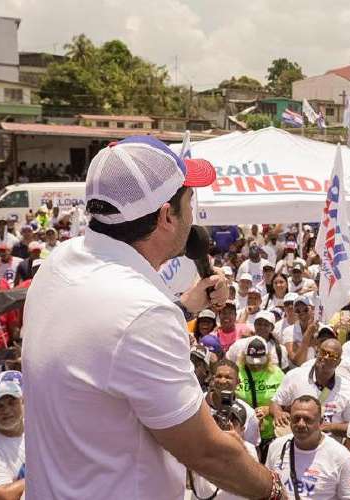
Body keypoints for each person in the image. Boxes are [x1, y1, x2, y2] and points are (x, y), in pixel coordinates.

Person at [21, 137, 278, 499]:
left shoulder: (60, 262)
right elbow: (207, 452)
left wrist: (183, 307)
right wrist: (275, 489)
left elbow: (108, 344)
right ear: (166, 216)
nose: (194, 213)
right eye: (190, 200)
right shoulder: (143, 312)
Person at [265, 395, 350, 499]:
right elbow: (267, 487)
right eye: (296, 418)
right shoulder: (276, 447)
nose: (301, 424)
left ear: (320, 422)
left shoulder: (340, 456)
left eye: (307, 419)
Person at [270, 339, 350, 438]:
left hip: (328, 447)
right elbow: (276, 402)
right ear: (317, 352)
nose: (325, 357)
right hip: (296, 441)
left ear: (338, 362)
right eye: (323, 352)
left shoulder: (349, 391)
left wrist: (332, 427)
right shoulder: (294, 376)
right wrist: (278, 413)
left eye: (332, 355)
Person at [235, 335, 285, 459]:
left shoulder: (277, 373)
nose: (256, 365)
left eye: (260, 361)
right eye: (252, 361)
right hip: (244, 435)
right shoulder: (236, 372)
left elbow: (287, 402)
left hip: (270, 434)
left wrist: (269, 409)